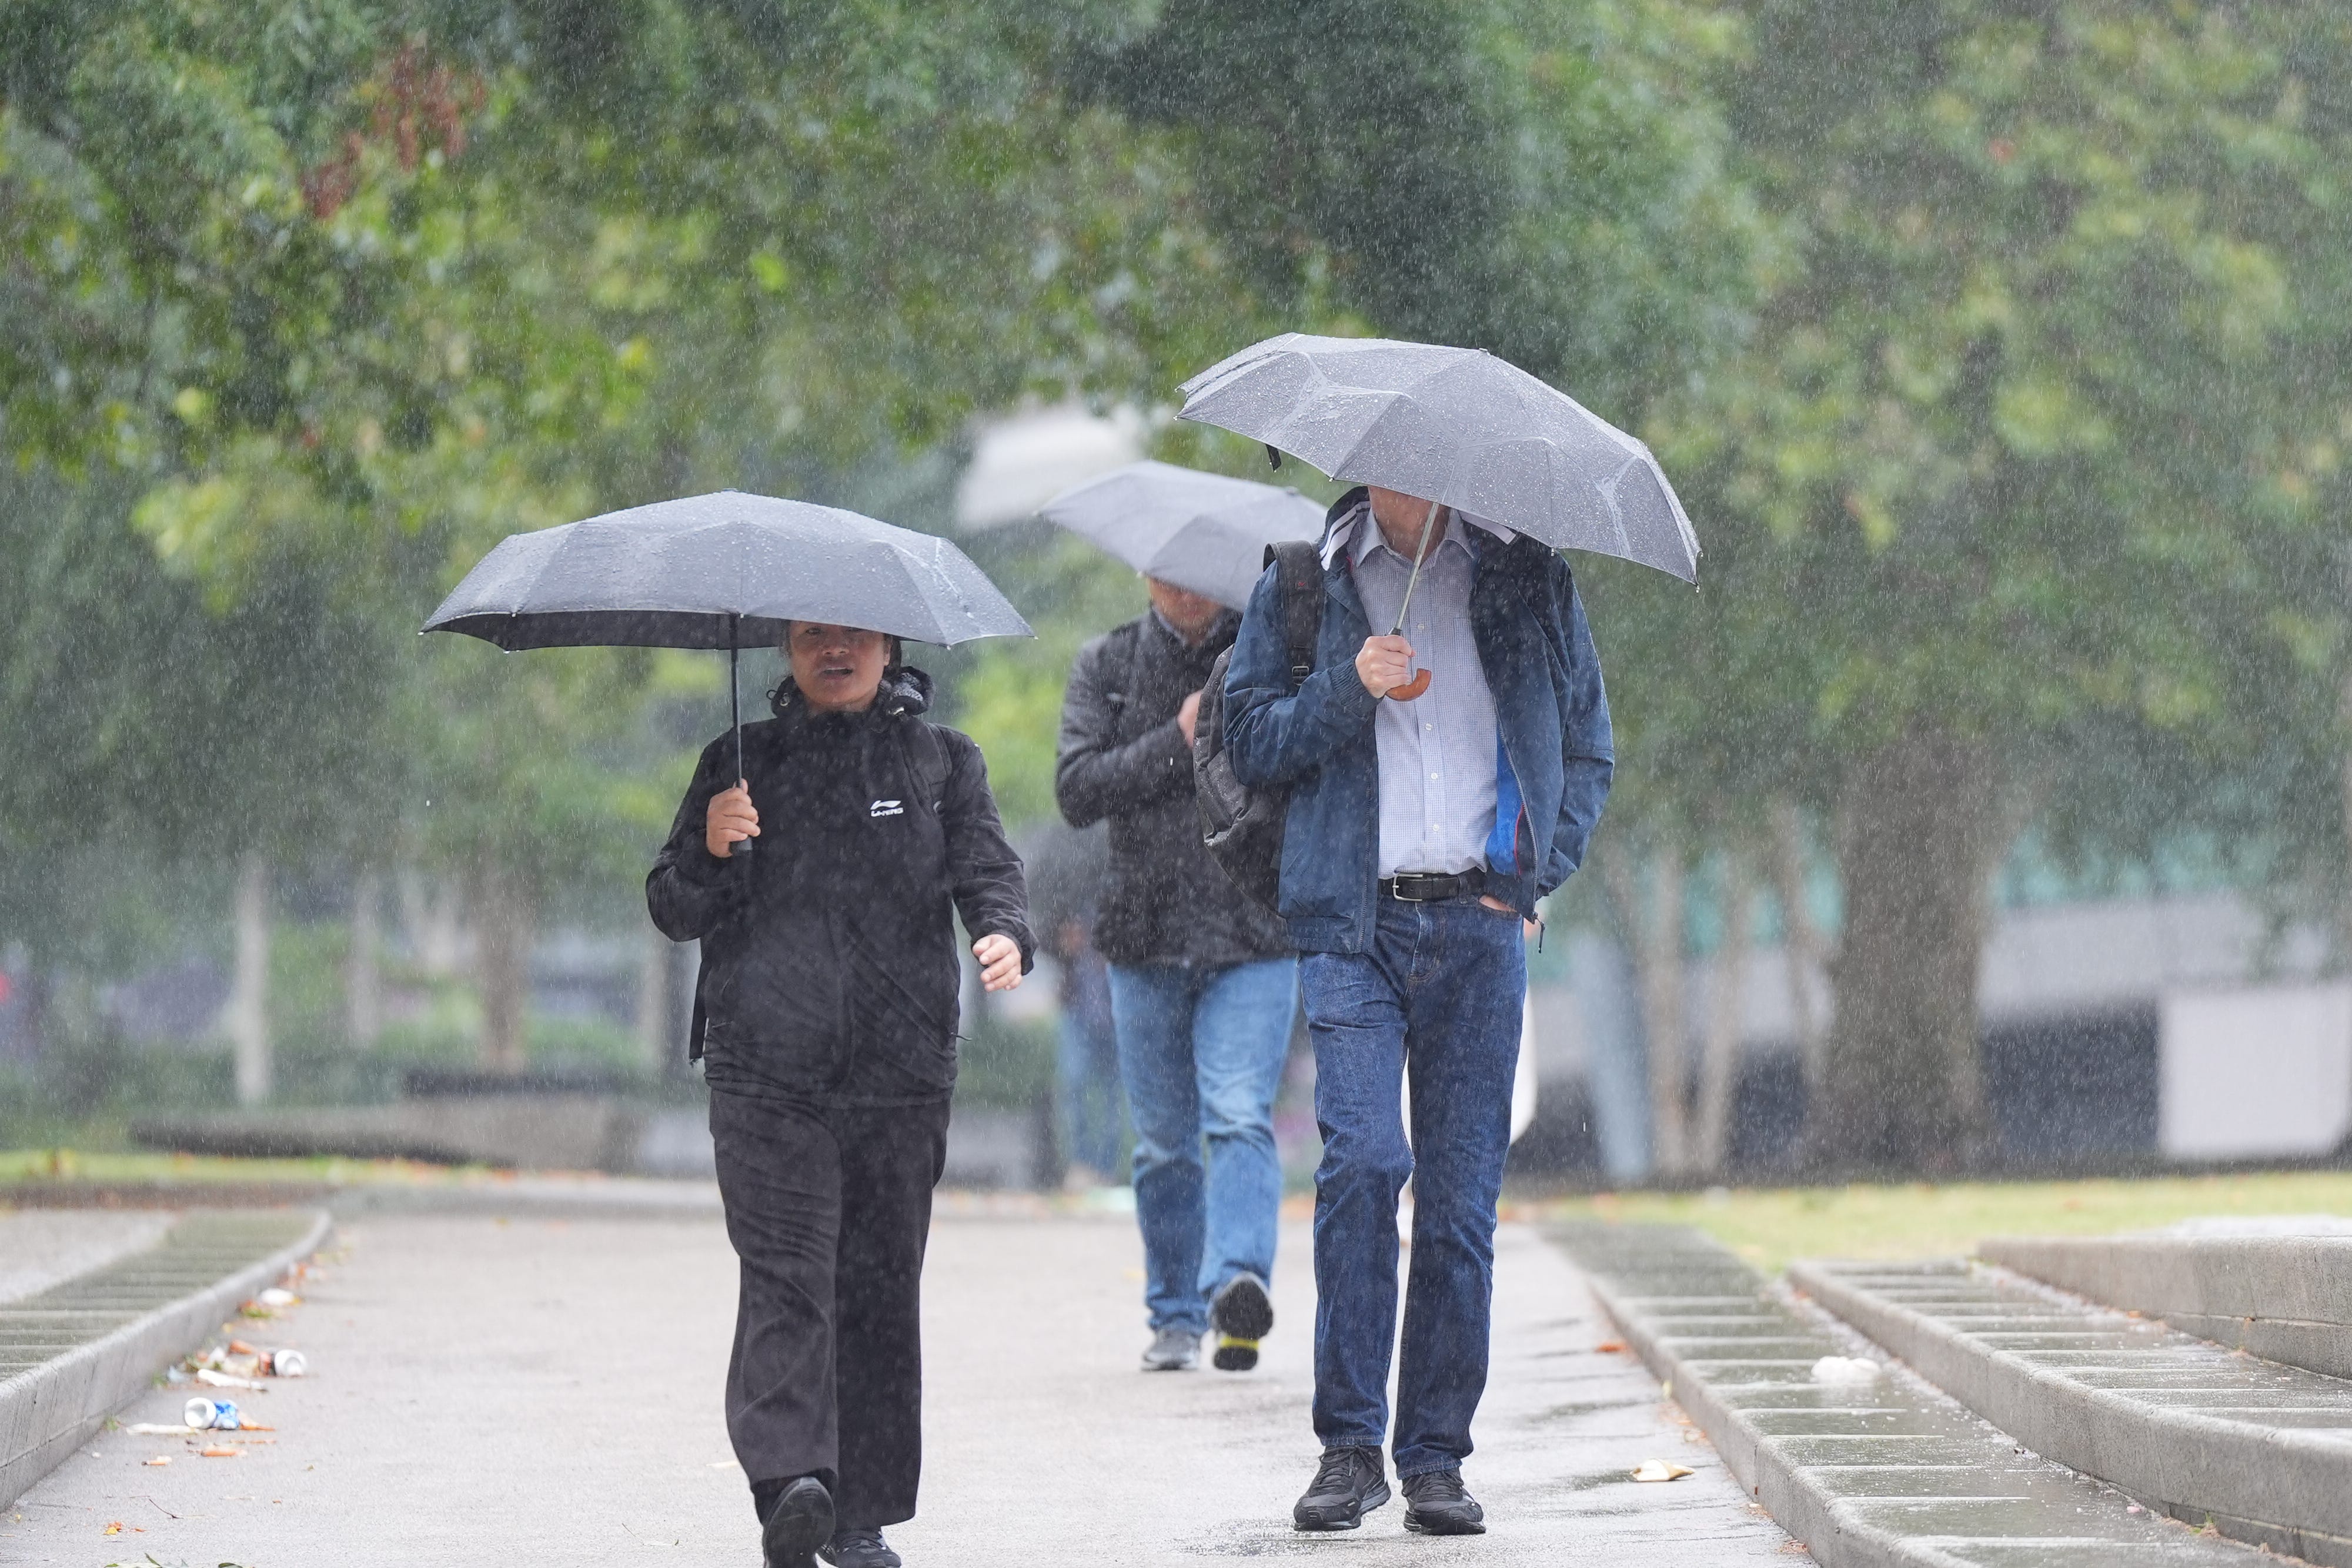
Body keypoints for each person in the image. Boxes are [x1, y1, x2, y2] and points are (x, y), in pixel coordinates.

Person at [1222, 486, 1611, 1536]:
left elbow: (1586, 745)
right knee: (1362, 1163)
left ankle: (1435, 1454)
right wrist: (1348, 689)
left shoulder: (1526, 576)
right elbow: (1247, 739)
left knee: (1456, 1203)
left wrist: (1533, 874)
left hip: (1481, 928)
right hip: (1353, 922)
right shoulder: (1305, 583)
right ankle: (1349, 1447)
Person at [647, 620, 1033, 1568]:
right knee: (788, 1279)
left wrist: (1006, 932)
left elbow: (989, 869)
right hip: (765, 1072)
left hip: (900, 1076)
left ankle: (857, 1513)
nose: (834, 650)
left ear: (890, 646)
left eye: (853, 635)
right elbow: (671, 904)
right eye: (814, 634)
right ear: (784, 647)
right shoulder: (738, 761)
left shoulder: (943, 760)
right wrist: (708, 842)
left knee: (879, 1287)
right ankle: (789, 1488)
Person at [1057, 576, 1298, 1373]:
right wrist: (1178, 736)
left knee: (1237, 1114)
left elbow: (1301, 764)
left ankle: (1238, 1281)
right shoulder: (1109, 663)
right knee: (1163, 1142)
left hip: (1253, 927)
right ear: (1144, 572)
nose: (1185, 585)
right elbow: (1078, 789)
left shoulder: (1266, 652)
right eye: (1169, 567)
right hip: (1143, 932)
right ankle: (1174, 1311)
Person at [1025, 820, 1126, 1188]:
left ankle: (1106, 1167)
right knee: (1077, 1083)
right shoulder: (1066, 903)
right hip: (1079, 1006)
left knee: (1113, 1090)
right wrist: (1060, 939)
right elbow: (1047, 937)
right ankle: (1083, 1166)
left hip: (1118, 1007)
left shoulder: (1119, 899)